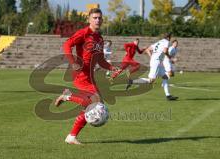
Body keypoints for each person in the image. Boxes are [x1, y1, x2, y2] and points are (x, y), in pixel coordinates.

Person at [55, 8, 116, 145]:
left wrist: (113, 68)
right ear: (89, 19)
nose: (97, 20)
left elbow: (100, 60)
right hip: (81, 73)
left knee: (93, 106)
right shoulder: (83, 33)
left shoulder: (99, 39)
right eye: (94, 18)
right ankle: (67, 96)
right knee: (96, 103)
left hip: (90, 75)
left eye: (99, 18)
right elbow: (67, 45)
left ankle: (71, 137)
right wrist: (73, 62)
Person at [126, 33, 178, 101]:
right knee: (151, 80)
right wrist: (170, 58)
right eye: (170, 37)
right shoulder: (166, 42)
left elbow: (148, 49)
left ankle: (168, 95)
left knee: (165, 76)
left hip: (157, 62)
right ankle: (132, 81)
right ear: (169, 37)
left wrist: (151, 57)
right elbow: (165, 51)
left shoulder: (159, 42)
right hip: (156, 62)